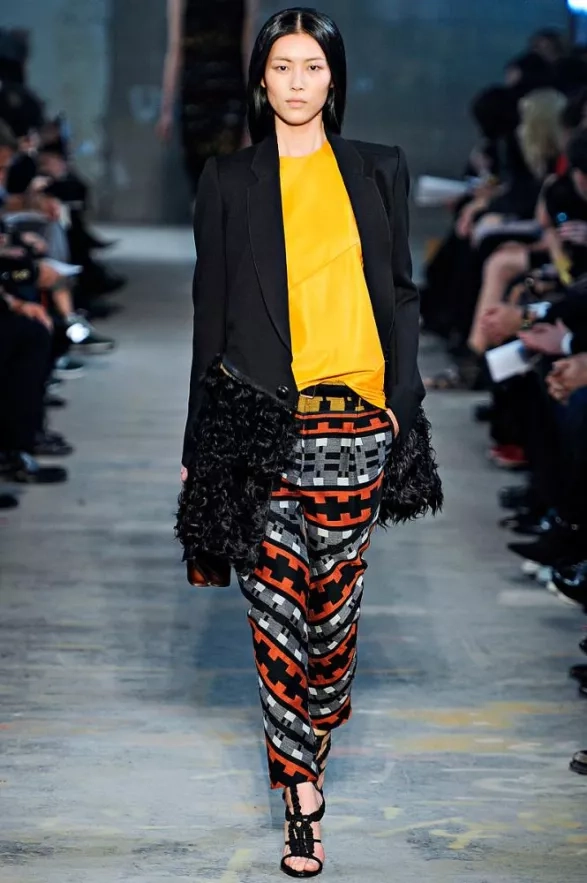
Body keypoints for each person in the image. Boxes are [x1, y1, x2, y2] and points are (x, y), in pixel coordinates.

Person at [175, 8, 441, 877]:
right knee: (277, 614)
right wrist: (198, 442)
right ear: (261, 79)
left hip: (356, 424)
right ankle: (301, 797)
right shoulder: (229, 179)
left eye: (312, 66)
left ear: (334, 78)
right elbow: (209, 313)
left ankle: (313, 731)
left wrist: (400, 404)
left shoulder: (377, 169)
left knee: (330, 620)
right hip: (259, 423)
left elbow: (399, 291)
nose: (297, 81)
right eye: (282, 66)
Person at [157, 0, 260, 191]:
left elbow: (247, 49)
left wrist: (254, 108)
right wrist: (167, 109)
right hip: (197, 97)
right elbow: (175, 49)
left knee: (225, 179)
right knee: (204, 181)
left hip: (228, 95)